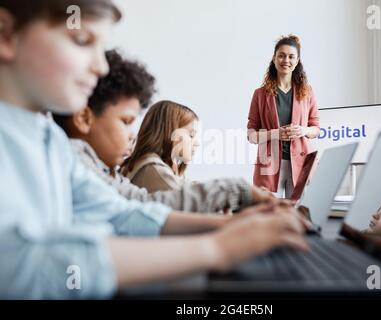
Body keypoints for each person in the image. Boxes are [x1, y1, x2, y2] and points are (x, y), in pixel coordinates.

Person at [0, 0, 309, 299]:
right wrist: (216, 249)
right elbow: (25, 267)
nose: (100, 65)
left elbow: (122, 214)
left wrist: (231, 225)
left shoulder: (49, 139)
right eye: (81, 40)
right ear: (6, 34)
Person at [53, 49, 278, 213]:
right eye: (126, 121)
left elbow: (141, 207)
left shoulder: (102, 171)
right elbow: (159, 209)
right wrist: (237, 193)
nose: (133, 133)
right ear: (83, 118)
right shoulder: (78, 163)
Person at [247, 34, 320, 199]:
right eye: (281, 55)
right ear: (274, 59)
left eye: (291, 56)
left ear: (297, 61)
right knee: (269, 216)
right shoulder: (260, 94)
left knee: (298, 218)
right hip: (269, 166)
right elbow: (251, 135)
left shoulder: (307, 92)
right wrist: (276, 133)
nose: (285, 60)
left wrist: (302, 130)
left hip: (301, 164)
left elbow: (316, 128)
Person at [120, 100, 200, 194]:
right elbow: (192, 199)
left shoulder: (164, 169)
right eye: (191, 135)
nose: (196, 143)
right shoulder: (152, 169)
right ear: (169, 132)